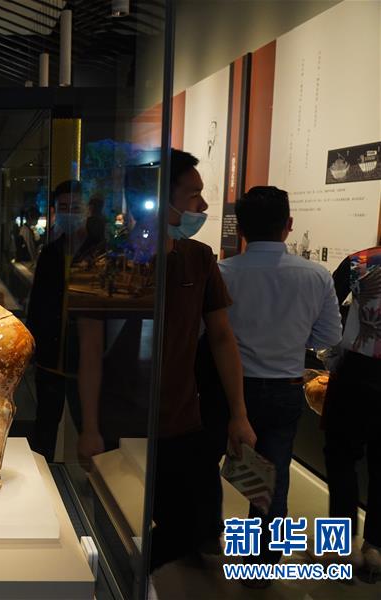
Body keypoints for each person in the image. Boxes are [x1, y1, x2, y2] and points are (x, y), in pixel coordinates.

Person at [218, 186, 341, 573]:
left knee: (208, 461)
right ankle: (262, 561)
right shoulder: (316, 275)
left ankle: (201, 538)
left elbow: (208, 336)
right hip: (285, 388)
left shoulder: (223, 273)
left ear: (240, 228)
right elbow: (329, 336)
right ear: (288, 225)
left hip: (230, 388)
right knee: (275, 474)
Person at [149, 149, 256, 572]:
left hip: (182, 415)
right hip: (130, 415)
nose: (204, 205)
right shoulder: (122, 259)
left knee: (187, 525)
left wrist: (239, 414)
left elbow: (222, 338)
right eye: (193, 194)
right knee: (124, 509)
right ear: (161, 197)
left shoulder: (199, 258)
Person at [324, 237, 381, 578]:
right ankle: (375, 548)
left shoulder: (360, 261)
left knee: (341, 458)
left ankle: (341, 547)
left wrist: (331, 353)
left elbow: (328, 306)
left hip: (357, 372)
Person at [27, 180, 89, 461]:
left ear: (86, 209)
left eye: (75, 207)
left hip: (86, 357)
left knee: (85, 422)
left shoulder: (98, 251)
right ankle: (43, 468)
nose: (69, 213)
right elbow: (37, 303)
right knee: (46, 421)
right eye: (63, 207)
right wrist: (31, 347)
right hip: (50, 355)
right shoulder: (51, 253)